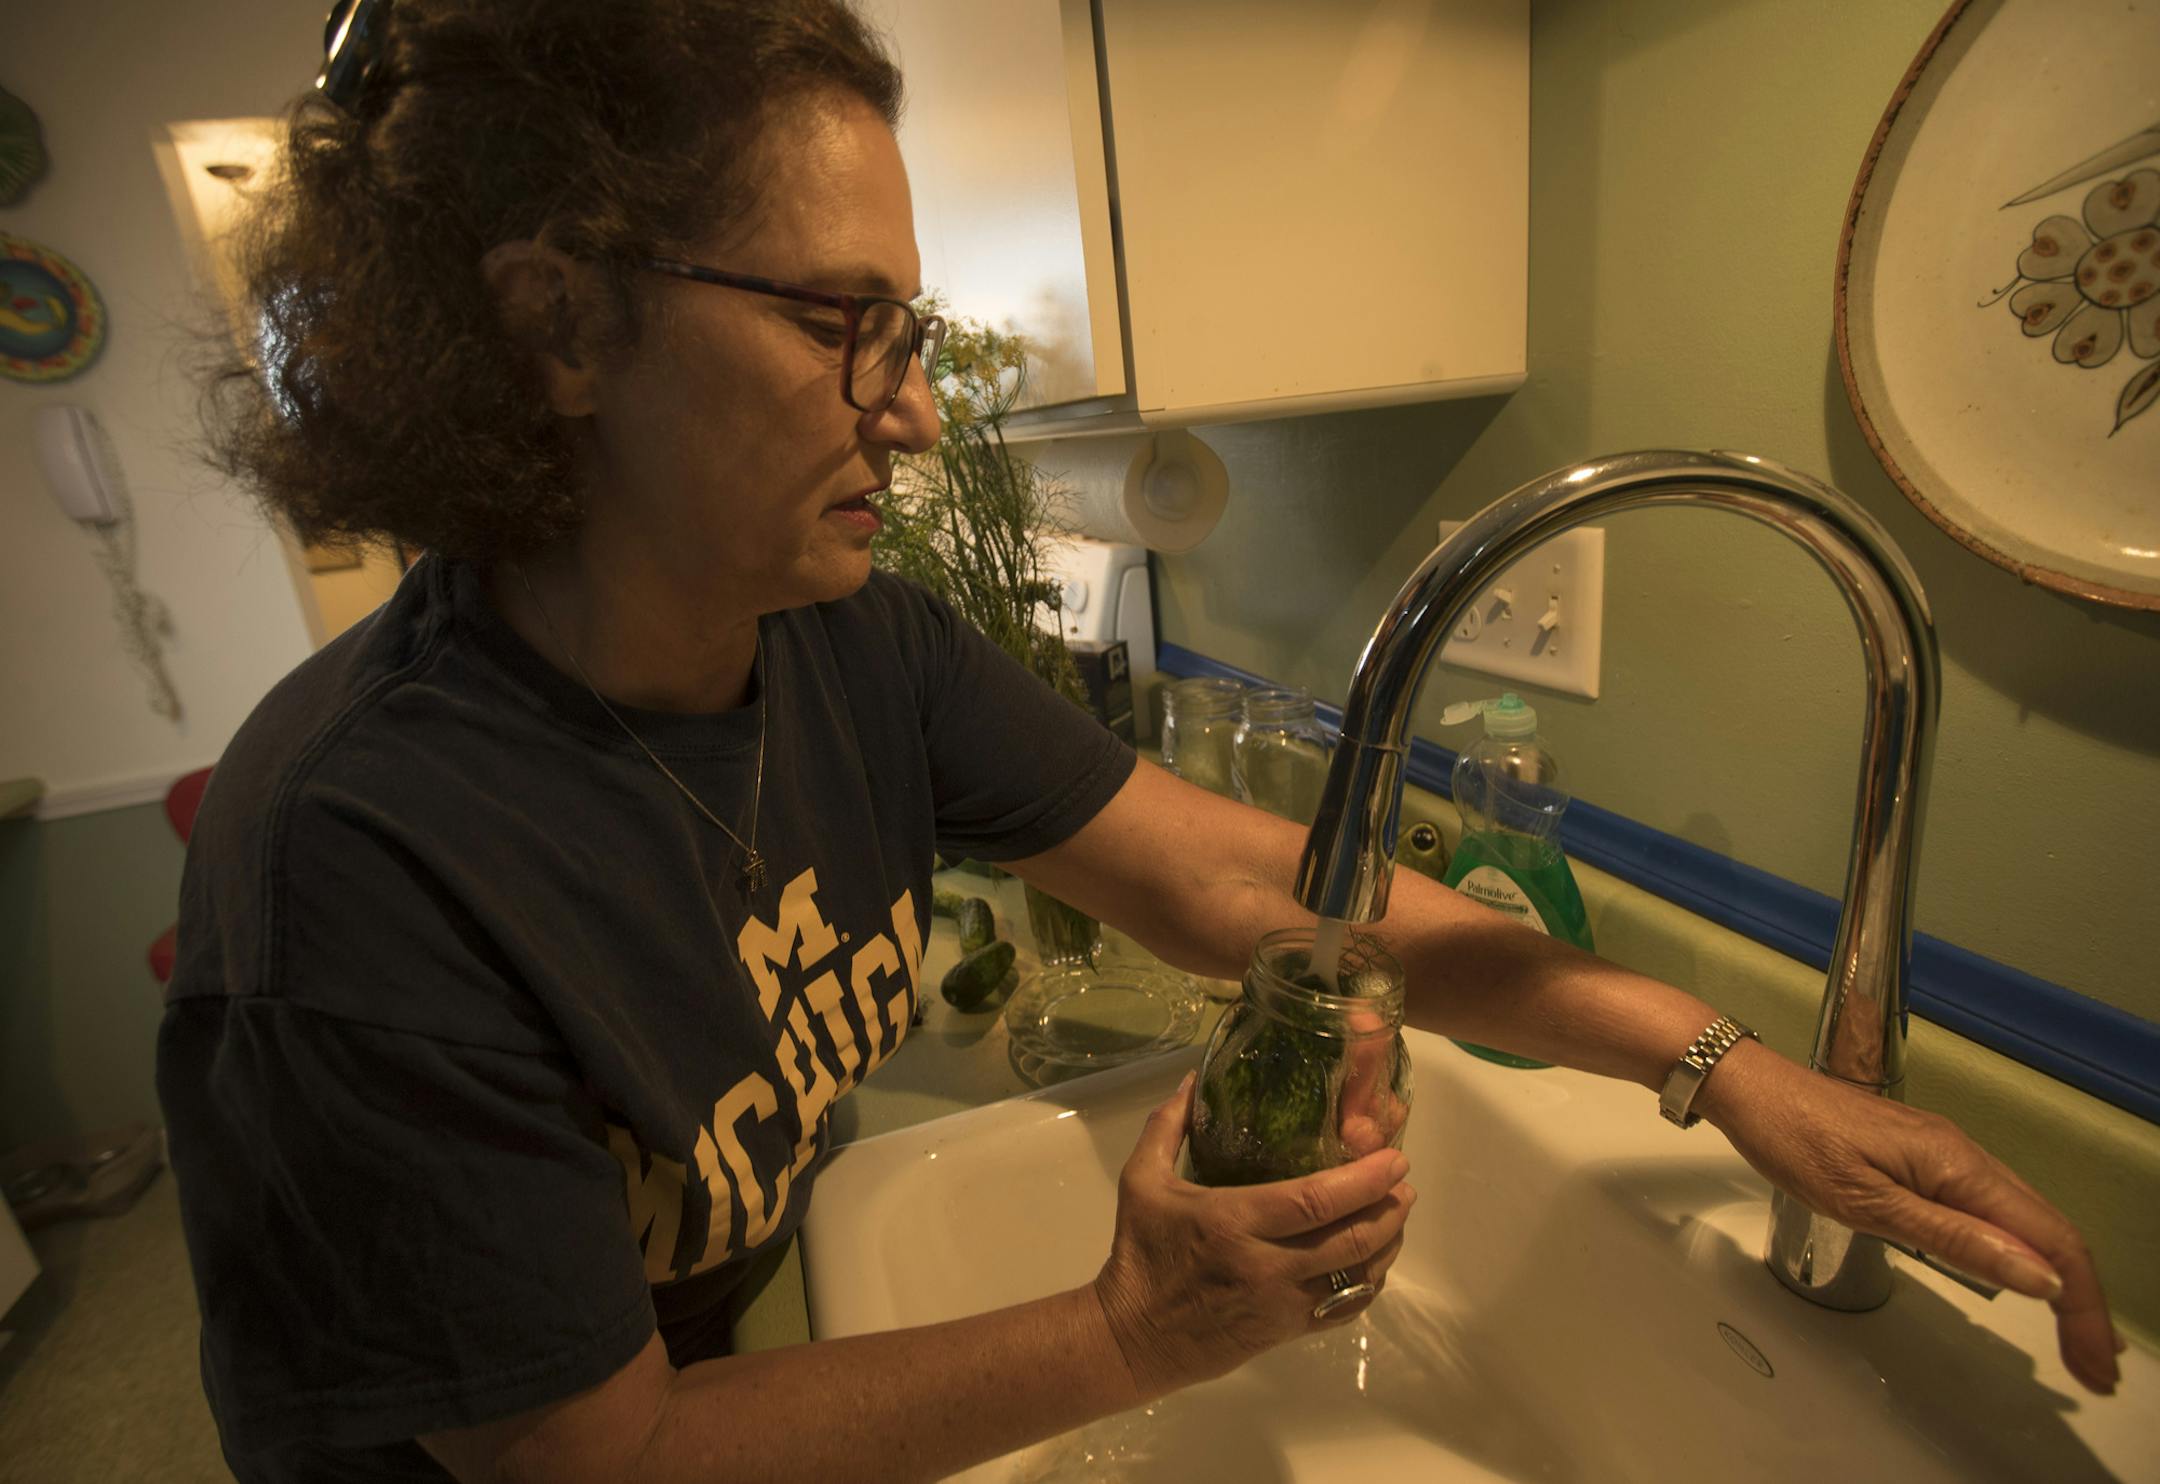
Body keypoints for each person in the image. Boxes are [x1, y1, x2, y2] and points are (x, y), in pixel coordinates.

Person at [160, 2, 2121, 1480]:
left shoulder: (845, 647)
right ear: (559, 326)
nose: (919, 415)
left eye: (910, 331)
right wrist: (1128, 1324)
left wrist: (1717, 1062)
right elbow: (607, 1459)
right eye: (848, 322)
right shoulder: (362, 862)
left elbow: (1239, 883)